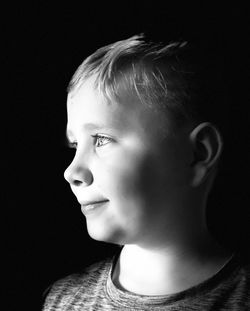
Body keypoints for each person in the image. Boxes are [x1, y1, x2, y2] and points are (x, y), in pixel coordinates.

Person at [43, 34, 249, 310]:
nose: (72, 171)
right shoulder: (63, 302)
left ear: (198, 154)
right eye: (76, 145)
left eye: (101, 139)